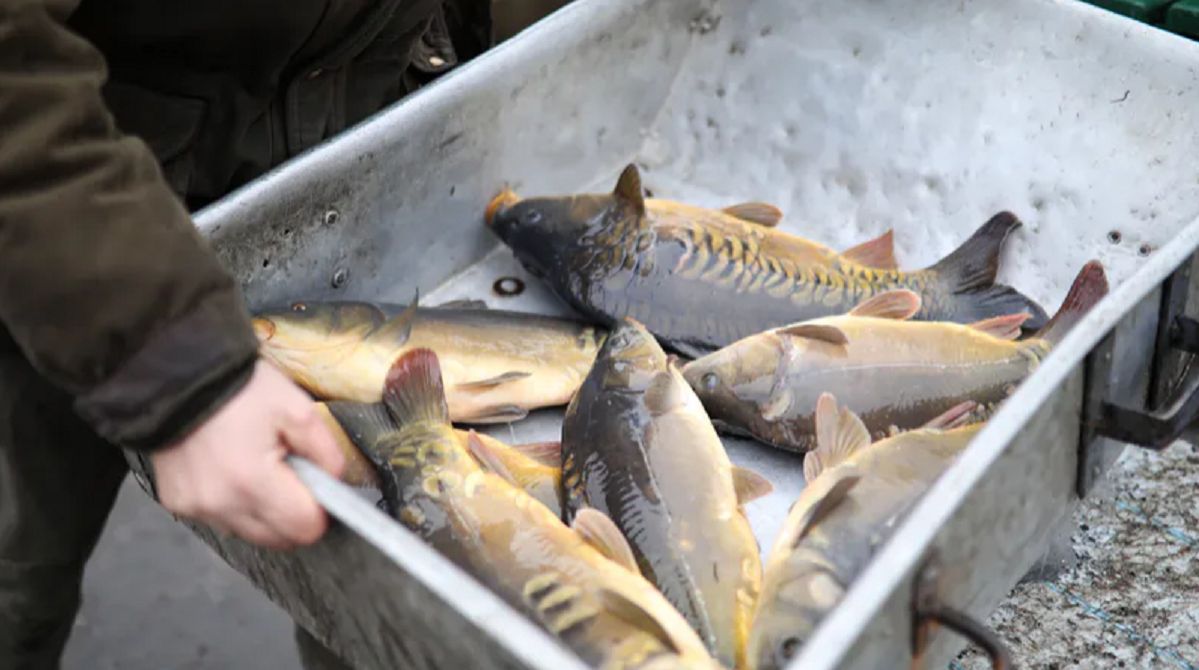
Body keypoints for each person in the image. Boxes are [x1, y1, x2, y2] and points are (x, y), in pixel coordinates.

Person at [0, 1, 488, 668]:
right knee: (19, 571)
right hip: (65, 216)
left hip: (378, 169)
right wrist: (167, 359)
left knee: (390, 610)